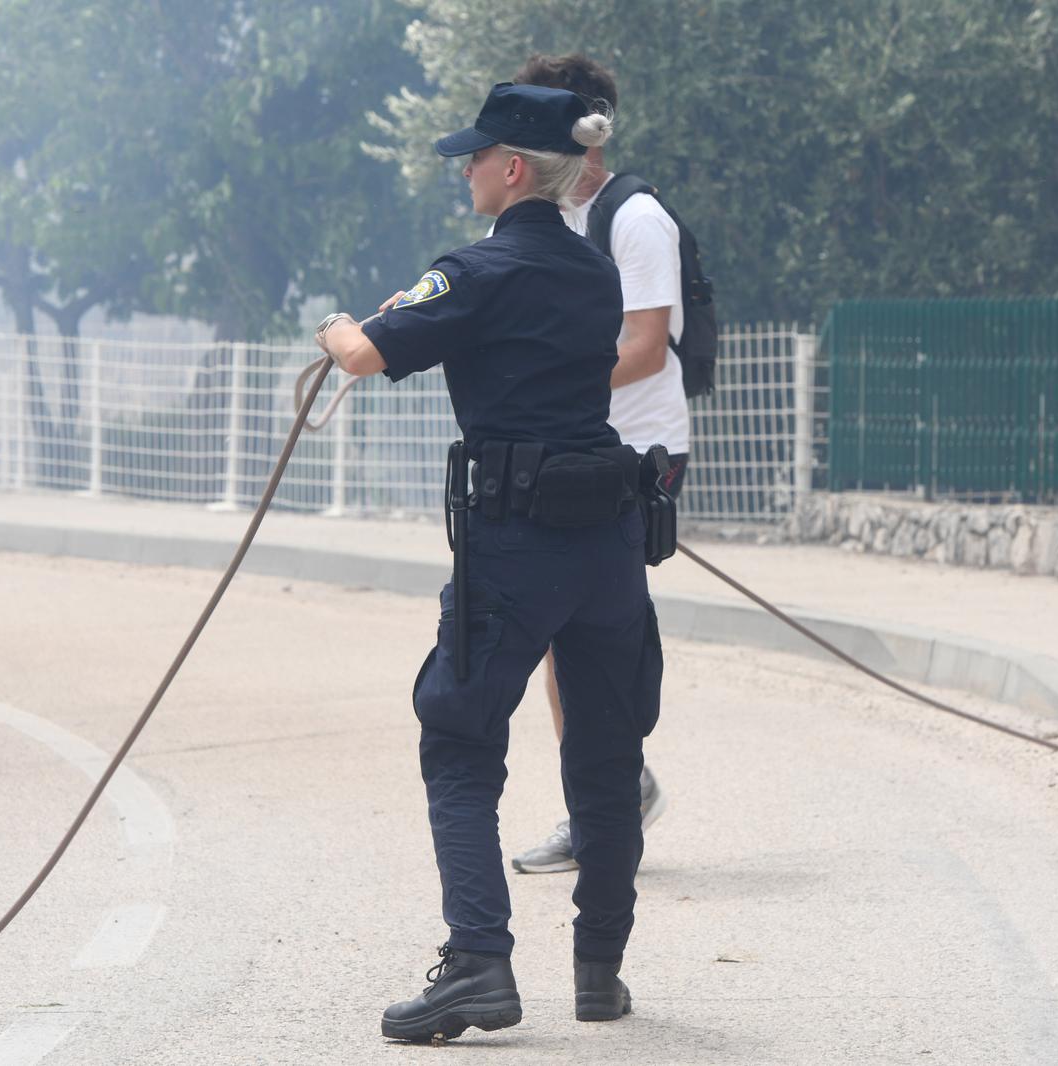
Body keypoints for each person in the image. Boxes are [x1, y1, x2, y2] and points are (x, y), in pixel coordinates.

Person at [315, 82, 664, 1043]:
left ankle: (477, 964)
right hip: (609, 540)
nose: (465, 169)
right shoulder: (595, 272)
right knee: (606, 753)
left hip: (516, 542)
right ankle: (599, 972)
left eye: (474, 156)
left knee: (460, 739)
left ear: (512, 168)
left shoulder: (474, 270)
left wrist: (337, 326)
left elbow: (362, 356)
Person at [509, 53, 688, 875]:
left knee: (590, 632)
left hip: (635, 452)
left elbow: (646, 348)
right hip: (567, 448)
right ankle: (612, 793)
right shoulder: (529, 219)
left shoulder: (635, 218)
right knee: (563, 631)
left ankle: (608, 799)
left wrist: (549, 385)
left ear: (585, 129)